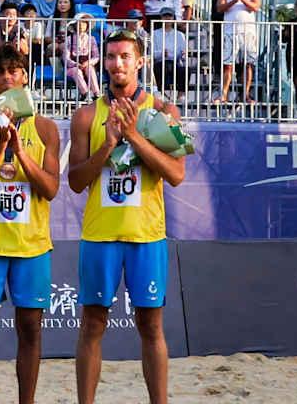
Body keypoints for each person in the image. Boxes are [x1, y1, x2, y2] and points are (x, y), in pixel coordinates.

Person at [67, 29, 186, 404]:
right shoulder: (87, 115)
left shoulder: (164, 111)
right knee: (92, 325)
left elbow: (176, 174)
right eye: (112, 56)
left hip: (146, 235)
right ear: (104, 61)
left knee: (151, 327)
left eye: (125, 56)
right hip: (101, 235)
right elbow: (74, 181)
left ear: (140, 62)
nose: (118, 63)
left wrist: (134, 136)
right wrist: (108, 144)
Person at [0, 45, 61, 404]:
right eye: (0, 71)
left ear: (26, 77)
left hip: (31, 245)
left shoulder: (46, 128)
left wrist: (19, 152)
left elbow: (50, 189)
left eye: (14, 70)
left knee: (30, 329)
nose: (7, 77)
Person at [214, 0, 260, 104]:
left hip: (248, 32)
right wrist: (234, 0)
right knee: (228, 64)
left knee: (248, 64)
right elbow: (219, 8)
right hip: (230, 31)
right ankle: (224, 95)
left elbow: (256, 7)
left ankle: (246, 95)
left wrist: (244, 0)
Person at [149, 11, 188, 105]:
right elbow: (151, 53)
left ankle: (181, 95)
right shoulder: (154, 34)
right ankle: (160, 93)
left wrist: (184, 54)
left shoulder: (180, 35)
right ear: (161, 18)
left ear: (173, 18)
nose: (167, 19)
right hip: (160, 61)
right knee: (159, 68)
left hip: (175, 62)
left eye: (169, 16)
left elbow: (183, 55)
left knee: (184, 69)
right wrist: (161, 53)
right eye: (165, 16)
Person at [65, 13, 100, 101]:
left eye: (84, 23)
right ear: (75, 25)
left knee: (90, 68)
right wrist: (75, 64)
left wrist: (88, 62)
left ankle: (97, 93)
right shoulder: (69, 39)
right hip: (72, 67)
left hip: (87, 64)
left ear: (87, 25)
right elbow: (66, 58)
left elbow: (96, 56)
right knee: (76, 71)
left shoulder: (91, 39)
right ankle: (86, 93)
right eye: (79, 23)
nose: (81, 25)